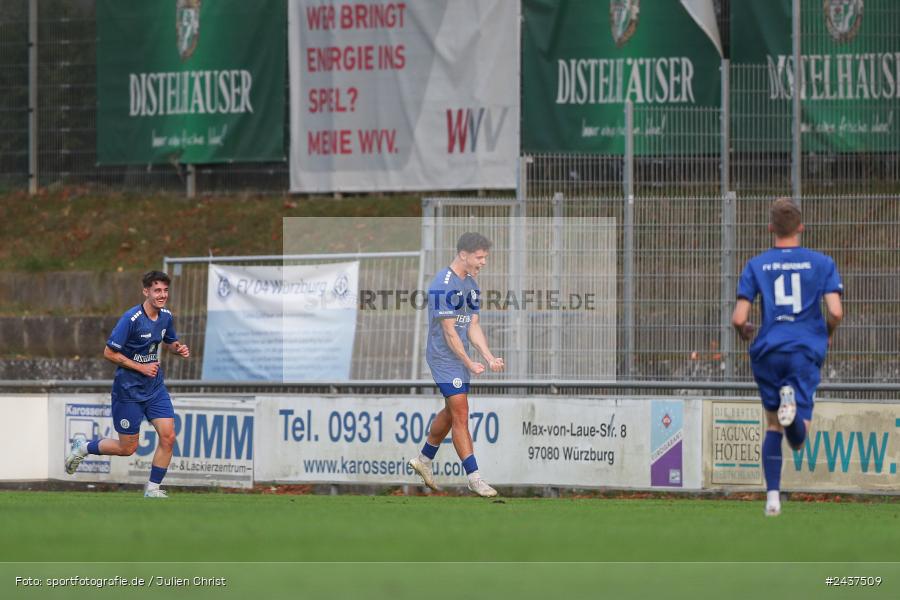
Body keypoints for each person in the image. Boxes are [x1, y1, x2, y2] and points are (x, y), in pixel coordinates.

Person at [732, 198, 843, 516]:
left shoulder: (756, 265)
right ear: (801, 227)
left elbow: (739, 318)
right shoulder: (821, 263)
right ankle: (791, 410)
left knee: (771, 425)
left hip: (767, 350)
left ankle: (772, 499)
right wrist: (827, 333)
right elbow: (835, 311)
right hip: (802, 350)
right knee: (796, 439)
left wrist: (747, 332)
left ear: (770, 229)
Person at [64, 271, 190, 498]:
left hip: (154, 389)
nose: (162, 295)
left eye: (165, 290)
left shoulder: (166, 317)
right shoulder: (131, 319)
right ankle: (83, 447)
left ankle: (152, 490)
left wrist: (177, 349)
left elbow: (170, 340)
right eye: (157, 290)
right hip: (128, 391)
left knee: (168, 436)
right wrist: (141, 367)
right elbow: (109, 352)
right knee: (127, 448)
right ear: (146, 292)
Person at [408, 232, 505, 497]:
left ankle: (424, 459)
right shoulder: (443, 284)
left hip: (460, 358)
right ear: (463, 254)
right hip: (443, 357)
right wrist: (469, 362)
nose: (483, 262)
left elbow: (472, 325)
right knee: (461, 413)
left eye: (485, 257)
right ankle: (475, 479)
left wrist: (487, 357)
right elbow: (450, 333)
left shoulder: (472, 284)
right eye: (479, 257)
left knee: (452, 412)